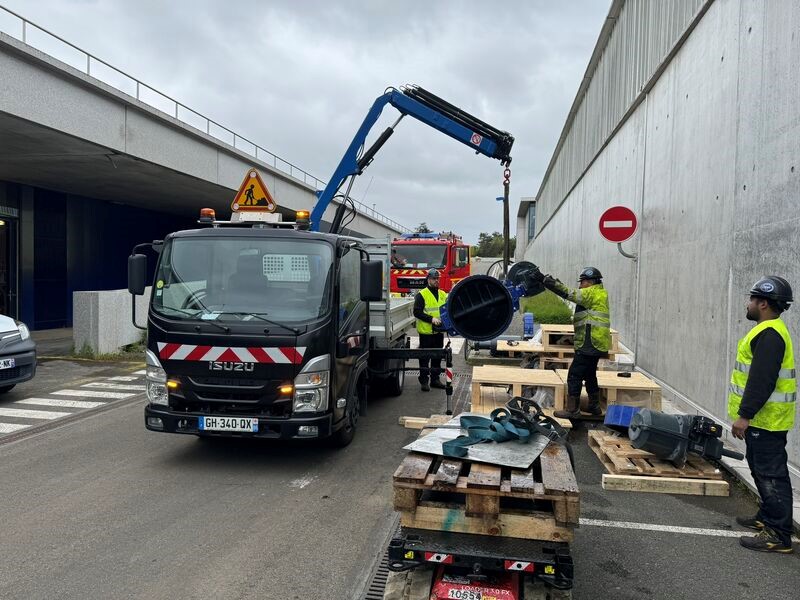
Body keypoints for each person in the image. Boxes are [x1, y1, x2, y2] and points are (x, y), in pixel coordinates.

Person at [730, 276, 795, 554]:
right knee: (760, 468)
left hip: (766, 420)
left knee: (771, 475)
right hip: (764, 420)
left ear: (764, 303)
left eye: (751, 299)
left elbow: (762, 380)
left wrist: (745, 415)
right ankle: (767, 517)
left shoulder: (769, 335)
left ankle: (778, 534)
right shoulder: (767, 331)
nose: (748, 304)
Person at [541, 267, 612, 418]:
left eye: (583, 282)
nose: (580, 285)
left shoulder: (591, 293)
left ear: (590, 282)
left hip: (589, 341)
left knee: (574, 374)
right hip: (597, 342)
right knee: (590, 374)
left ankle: (572, 410)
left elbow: (570, 293)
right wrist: (556, 283)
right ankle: (594, 407)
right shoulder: (600, 293)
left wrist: (551, 284)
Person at [414, 268, 448, 391]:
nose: (436, 281)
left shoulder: (443, 294)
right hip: (426, 333)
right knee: (424, 358)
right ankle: (424, 381)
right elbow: (417, 312)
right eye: (434, 278)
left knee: (437, 357)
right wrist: (431, 319)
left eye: (437, 278)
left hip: (438, 331)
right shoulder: (421, 295)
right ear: (428, 279)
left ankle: (435, 379)